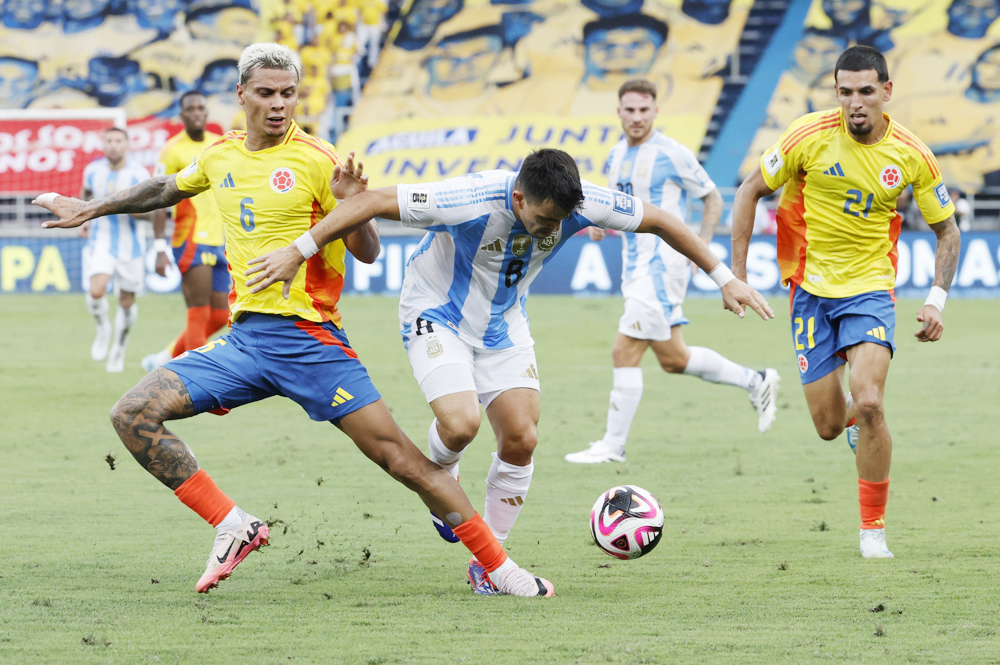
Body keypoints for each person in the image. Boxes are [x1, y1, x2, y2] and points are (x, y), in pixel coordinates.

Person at [35, 42, 553, 599]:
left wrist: (354, 202)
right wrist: (91, 207)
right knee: (133, 414)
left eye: (288, 93)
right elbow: (165, 188)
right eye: (266, 93)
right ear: (241, 95)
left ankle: (499, 569)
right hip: (244, 341)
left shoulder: (318, 158)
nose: (279, 104)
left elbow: (369, 251)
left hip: (312, 343)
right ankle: (233, 525)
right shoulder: (220, 155)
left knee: (401, 460)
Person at [242, 147, 775, 594]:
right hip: (437, 310)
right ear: (518, 198)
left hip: (503, 322)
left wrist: (724, 276)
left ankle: (488, 566)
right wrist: (300, 248)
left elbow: (661, 220)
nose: (553, 229)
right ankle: (441, 472)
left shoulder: (582, 202)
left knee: (521, 438)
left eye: (560, 221)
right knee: (461, 425)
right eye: (544, 220)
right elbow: (376, 201)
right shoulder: (470, 196)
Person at [731, 45, 961, 559]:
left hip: (871, 289)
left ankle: (872, 530)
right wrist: (737, 277)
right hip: (810, 292)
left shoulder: (911, 154)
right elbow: (748, 192)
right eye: (845, 92)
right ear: (835, 92)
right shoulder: (806, 136)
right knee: (831, 427)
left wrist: (936, 300)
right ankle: (855, 427)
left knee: (872, 400)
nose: (855, 103)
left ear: (886, 92)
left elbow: (948, 231)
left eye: (865, 91)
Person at [566, 80, 780, 465]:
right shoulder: (616, 155)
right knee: (674, 359)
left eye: (643, 110)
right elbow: (619, 206)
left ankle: (613, 446)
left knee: (623, 350)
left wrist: (698, 247)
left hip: (661, 266)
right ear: (619, 111)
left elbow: (712, 198)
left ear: (655, 112)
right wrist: (598, 223)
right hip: (634, 267)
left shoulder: (671, 152)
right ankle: (757, 380)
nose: (636, 117)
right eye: (629, 110)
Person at [142, 91, 230, 372]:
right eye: (189, 109)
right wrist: (159, 248)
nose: (196, 113)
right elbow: (157, 200)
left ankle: (164, 359)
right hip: (191, 239)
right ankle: (197, 380)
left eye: (200, 108)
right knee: (198, 312)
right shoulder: (172, 150)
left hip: (220, 240)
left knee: (221, 315)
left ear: (207, 113)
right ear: (182, 116)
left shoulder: (219, 146)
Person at [80, 126, 153, 373]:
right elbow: (86, 195)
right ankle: (103, 330)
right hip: (100, 241)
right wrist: (85, 220)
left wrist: (120, 204)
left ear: (127, 145)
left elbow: (150, 213)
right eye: (109, 140)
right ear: (103, 144)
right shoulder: (92, 171)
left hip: (131, 246)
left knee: (126, 300)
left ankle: (119, 347)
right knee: (96, 290)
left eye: (118, 140)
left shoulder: (138, 175)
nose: (113, 145)